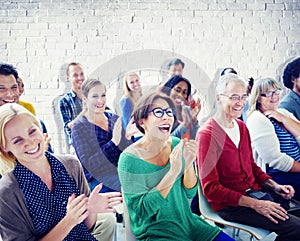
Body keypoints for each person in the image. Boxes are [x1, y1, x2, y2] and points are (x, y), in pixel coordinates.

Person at [118, 91, 234, 241]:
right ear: (142, 122)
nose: (166, 117)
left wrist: (188, 164)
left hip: (189, 224)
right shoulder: (129, 160)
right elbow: (142, 211)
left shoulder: (176, 143)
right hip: (156, 233)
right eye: (158, 112)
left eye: (169, 112)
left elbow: (189, 194)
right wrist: (172, 172)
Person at [197, 73, 300, 241]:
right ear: (218, 98)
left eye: (244, 96)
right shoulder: (207, 134)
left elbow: (251, 166)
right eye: (234, 97)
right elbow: (211, 189)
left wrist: (274, 186)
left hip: (256, 193)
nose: (240, 103)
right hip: (232, 205)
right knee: (296, 229)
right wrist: (257, 205)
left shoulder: (241, 127)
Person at [0, 103, 122, 241]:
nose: (30, 142)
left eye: (32, 131)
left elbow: (86, 228)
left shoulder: (71, 165)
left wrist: (90, 209)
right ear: (5, 147)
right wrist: (69, 221)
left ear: (40, 129)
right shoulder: (6, 192)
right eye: (17, 140)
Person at [72, 79, 132, 193]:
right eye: (94, 96)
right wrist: (113, 142)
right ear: (85, 99)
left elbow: (126, 151)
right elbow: (89, 165)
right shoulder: (79, 127)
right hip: (99, 179)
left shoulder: (114, 119)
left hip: (122, 170)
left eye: (103, 95)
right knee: (132, 187)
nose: (100, 100)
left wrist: (128, 137)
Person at [246, 77, 300, 200]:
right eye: (269, 93)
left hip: (295, 172)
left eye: (276, 92)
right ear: (258, 98)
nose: (274, 96)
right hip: (278, 177)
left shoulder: (282, 113)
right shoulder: (257, 119)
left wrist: (284, 119)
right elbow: (274, 159)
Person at [0, 63, 52, 153]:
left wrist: (41, 153)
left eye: (14, 87)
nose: (10, 94)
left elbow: (49, 159)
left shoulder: (35, 123)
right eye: (1, 89)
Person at [161, 74, 201, 140]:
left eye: (184, 92)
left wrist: (194, 121)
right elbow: (164, 141)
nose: (180, 95)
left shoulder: (188, 110)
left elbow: (195, 139)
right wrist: (185, 125)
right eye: (177, 90)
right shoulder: (161, 111)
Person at [59, 62, 85, 152]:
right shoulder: (65, 101)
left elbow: (107, 112)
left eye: (81, 74)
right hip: (78, 147)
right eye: (75, 75)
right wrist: (85, 112)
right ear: (68, 78)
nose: (80, 78)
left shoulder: (92, 95)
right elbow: (68, 126)